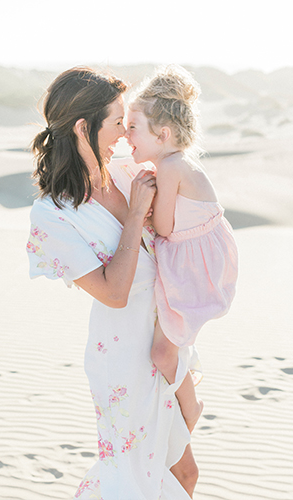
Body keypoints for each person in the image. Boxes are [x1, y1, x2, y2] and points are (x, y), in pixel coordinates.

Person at [26, 67, 201, 500]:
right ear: (83, 129)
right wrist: (137, 211)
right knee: (137, 483)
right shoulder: (54, 215)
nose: (124, 134)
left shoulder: (126, 173)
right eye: (117, 122)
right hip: (123, 361)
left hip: (165, 342)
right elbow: (114, 293)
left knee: (184, 474)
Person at [125, 65, 238, 434]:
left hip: (194, 267)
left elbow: (165, 228)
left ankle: (190, 409)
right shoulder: (174, 162)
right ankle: (183, 398)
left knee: (162, 352)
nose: (127, 136)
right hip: (197, 260)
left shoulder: (171, 167)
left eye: (132, 127)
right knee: (167, 345)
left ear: (164, 133)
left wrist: (142, 212)